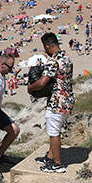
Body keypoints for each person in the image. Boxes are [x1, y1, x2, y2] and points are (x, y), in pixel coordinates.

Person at [28, 32, 74, 173]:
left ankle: (57, 164)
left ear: (47, 46)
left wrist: (30, 88)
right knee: (55, 129)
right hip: (67, 98)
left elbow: (42, 82)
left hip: (57, 101)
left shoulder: (53, 61)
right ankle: (50, 156)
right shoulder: (67, 59)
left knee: (54, 133)